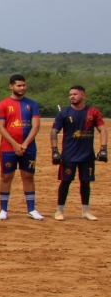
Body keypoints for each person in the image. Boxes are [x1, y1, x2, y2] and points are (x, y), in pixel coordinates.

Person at [51, 85, 107, 221]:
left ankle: (85, 211)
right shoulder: (64, 113)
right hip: (69, 155)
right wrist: (55, 151)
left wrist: (103, 148)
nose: (72, 97)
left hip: (87, 155)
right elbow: (54, 131)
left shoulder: (92, 112)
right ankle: (59, 210)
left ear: (83, 95)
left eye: (75, 94)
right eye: (70, 94)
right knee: (65, 181)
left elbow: (103, 129)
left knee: (86, 182)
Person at [0, 73, 44, 221]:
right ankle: (3, 210)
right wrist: (15, 144)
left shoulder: (32, 104)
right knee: (6, 177)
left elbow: (36, 126)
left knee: (28, 176)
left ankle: (31, 209)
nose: (22, 88)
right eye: (19, 85)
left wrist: (25, 144)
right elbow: (0, 127)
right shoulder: (3, 104)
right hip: (8, 147)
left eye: (24, 85)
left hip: (28, 147)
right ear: (11, 86)